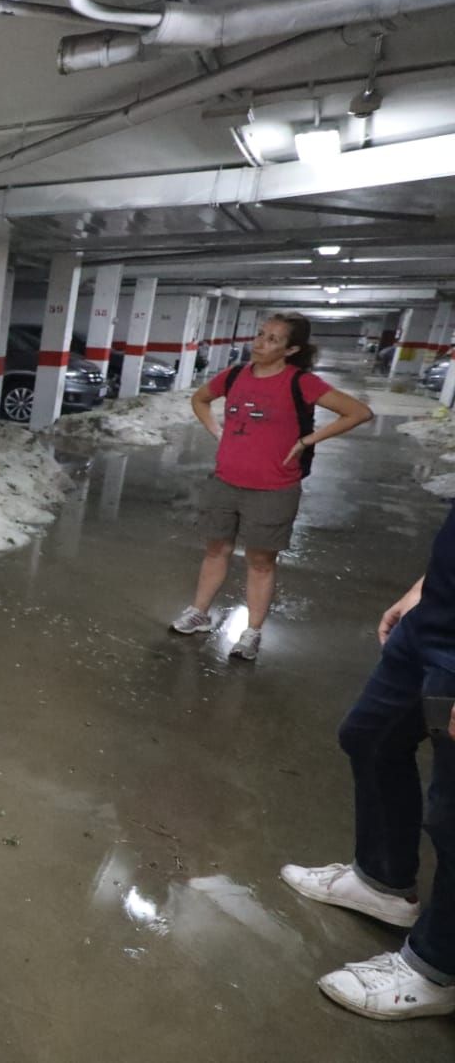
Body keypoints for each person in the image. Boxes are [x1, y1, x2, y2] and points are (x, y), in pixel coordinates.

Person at [279, 508, 455, 1020]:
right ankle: (382, 882)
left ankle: (435, 968)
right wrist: (427, 585)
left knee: (451, 819)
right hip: (435, 619)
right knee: (370, 738)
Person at [169, 312, 373, 661]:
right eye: (260, 334)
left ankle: (251, 632)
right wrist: (216, 431)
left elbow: (358, 412)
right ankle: (199, 612)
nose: (260, 343)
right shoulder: (233, 375)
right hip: (225, 480)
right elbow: (200, 399)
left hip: (274, 487)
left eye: (272, 339)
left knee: (261, 560)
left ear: (291, 349)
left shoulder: (301, 383)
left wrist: (308, 440)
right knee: (216, 549)